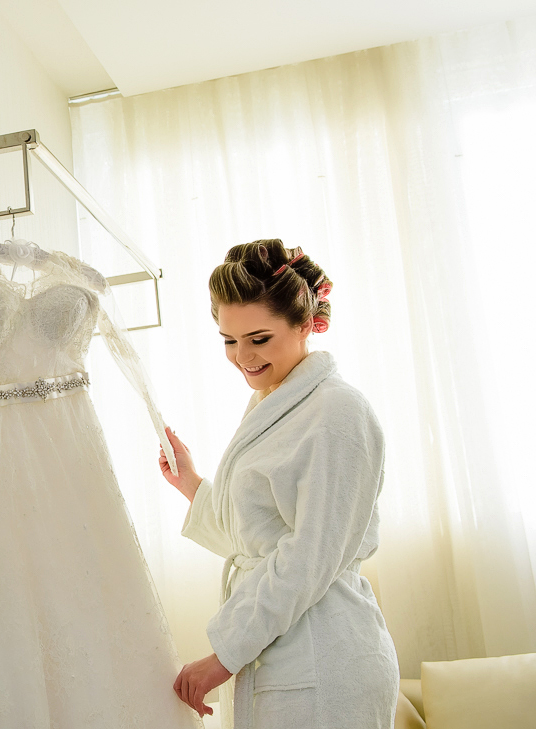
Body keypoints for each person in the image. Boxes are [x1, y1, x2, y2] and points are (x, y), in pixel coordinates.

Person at [159, 239, 399, 729]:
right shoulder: (273, 401)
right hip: (283, 650)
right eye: (229, 340)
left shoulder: (337, 412)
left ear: (306, 324)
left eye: (259, 338)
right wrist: (192, 484)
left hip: (326, 658)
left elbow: (309, 556)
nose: (242, 356)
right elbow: (258, 539)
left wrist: (224, 655)